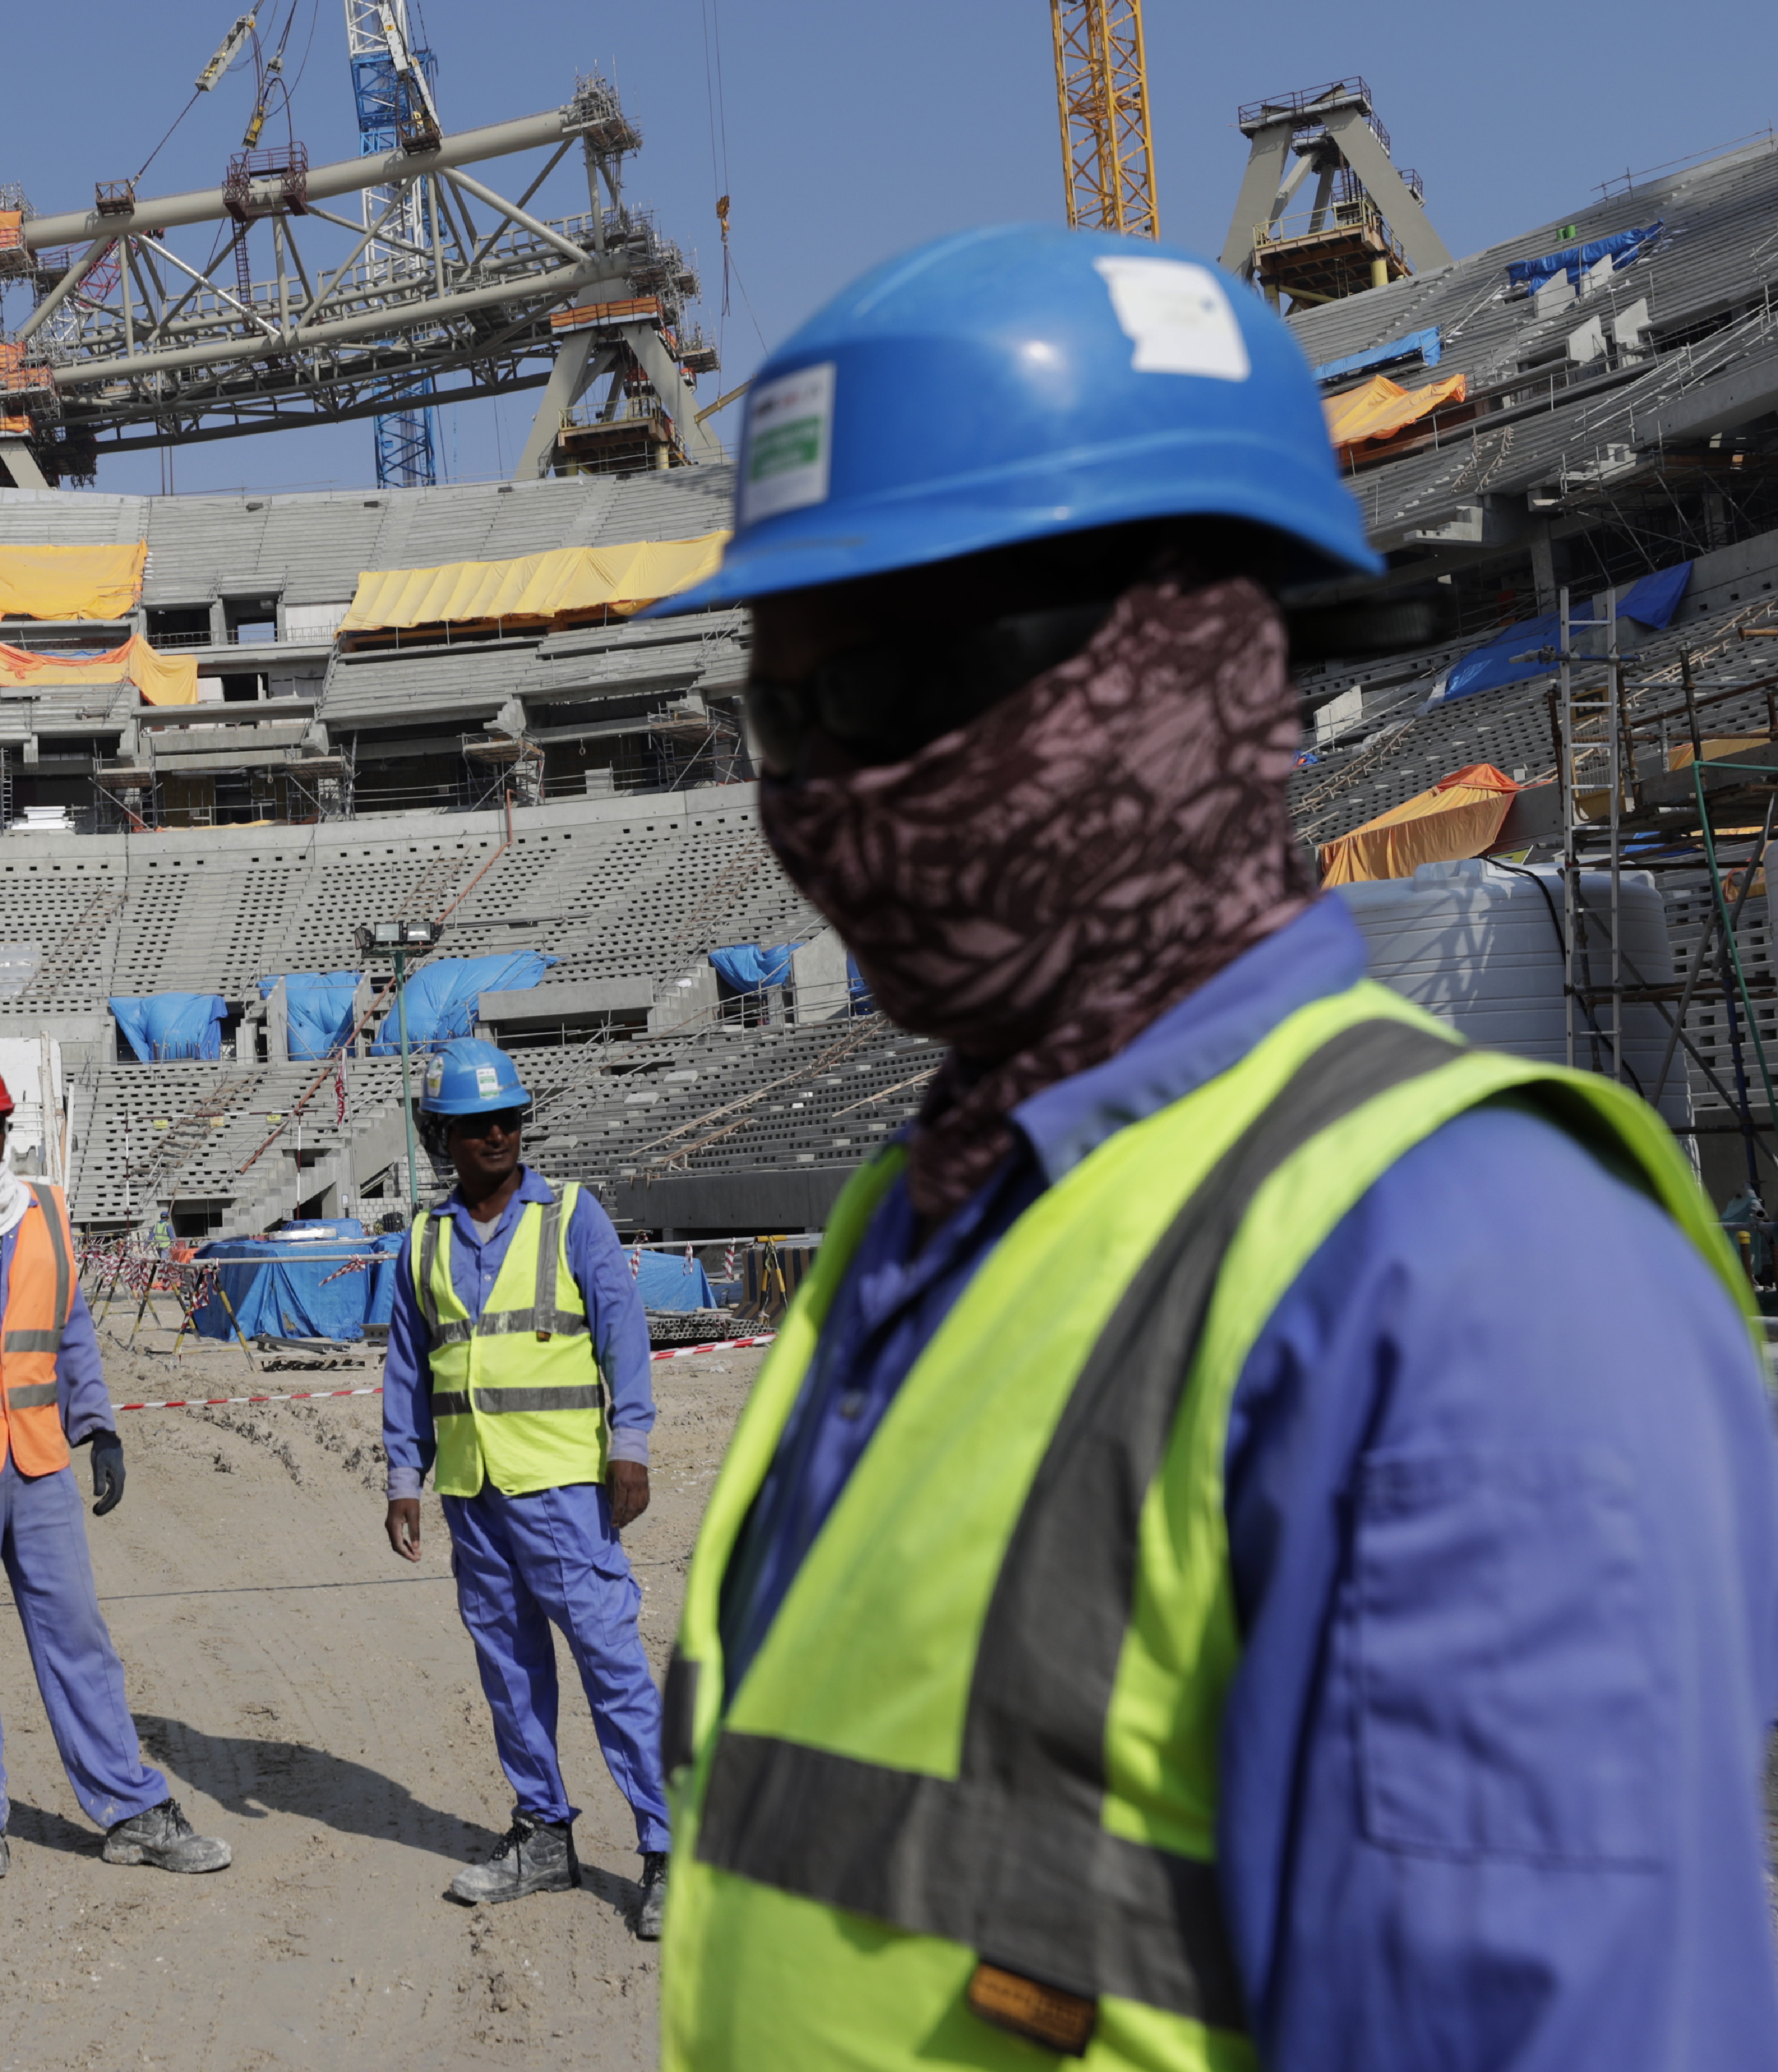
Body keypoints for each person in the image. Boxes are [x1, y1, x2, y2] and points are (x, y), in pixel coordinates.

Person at [645, 224, 1778, 2069]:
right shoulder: (921, 1217)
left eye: (880, 690)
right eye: (780, 708)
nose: (820, 789)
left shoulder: (1473, 1281)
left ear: (1194, 673)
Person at [0, 1054, 230, 1883]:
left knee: (78, 1638)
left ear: (6, 1131)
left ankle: (131, 1809)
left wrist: (100, 1429)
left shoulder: (46, 1215)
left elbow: (73, 1335)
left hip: (41, 1466)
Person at [381, 1037, 669, 1941]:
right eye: (476, 1126)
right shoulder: (421, 1241)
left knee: (613, 1670)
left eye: (508, 1119)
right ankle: (544, 1833)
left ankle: (668, 1850)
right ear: (443, 1138)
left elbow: (624, 1338)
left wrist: (631, 1446)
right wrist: (404, 1476)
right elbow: (406, 1368)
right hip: (474, 1494)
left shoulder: (573, 1217)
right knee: (510, 1674)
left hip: (566, 1492)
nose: (498, 1135)